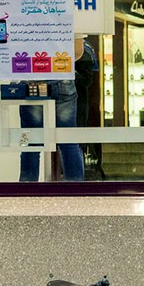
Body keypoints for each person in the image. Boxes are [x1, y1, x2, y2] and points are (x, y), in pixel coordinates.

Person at [19, 37, 86, 181]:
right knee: (69, 141)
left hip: (32, 78)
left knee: (30, 142)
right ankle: (77, 192)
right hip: (63, 78)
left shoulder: (23, 16)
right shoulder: (73, 15)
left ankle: (25, 191)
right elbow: (78, 51)